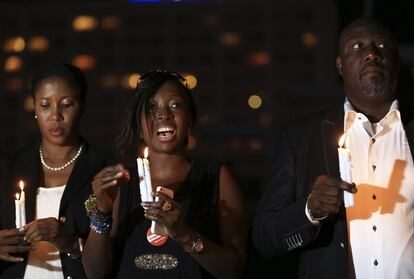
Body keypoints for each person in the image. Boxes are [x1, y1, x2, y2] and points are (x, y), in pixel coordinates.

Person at [252, 17, 414, 279]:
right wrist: (310, 211)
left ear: (396, 60)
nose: (371, 54)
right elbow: (264, 239)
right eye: (357, 46)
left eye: (382, 46)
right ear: (339, 65)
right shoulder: (301, 138)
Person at [82, 70, 247, 279]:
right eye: (152, 107)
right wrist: (101, 211)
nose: (164, 114)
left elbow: (235, 270)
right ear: (139, 127)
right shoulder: (121, 183)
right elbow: (95, 274)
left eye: (175, 105)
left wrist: (185, 235)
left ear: (189, 122)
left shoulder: (217, 177)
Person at [0, 63, 109, 278]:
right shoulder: (8, 167)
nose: (55, 115)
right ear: (35, 109)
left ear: (82, 106)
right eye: (45, 105)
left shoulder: (102, 169)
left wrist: (67, 241)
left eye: (66, 104)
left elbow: (114, 256)